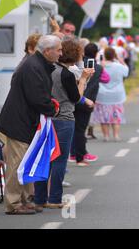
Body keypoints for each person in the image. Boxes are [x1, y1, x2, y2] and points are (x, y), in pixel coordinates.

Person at [0, 35, 62, 215]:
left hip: (26, 120)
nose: (60, 53)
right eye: (58, 50)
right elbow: (36, 97)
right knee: (18, 164)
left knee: (26, 162)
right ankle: (14, 203)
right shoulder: (33, 67)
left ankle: (24, 200)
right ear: (47, 51)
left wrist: (49, 104)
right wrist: (51, 108)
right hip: (19, 122)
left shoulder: (36, 64)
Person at [34, 39, 94, 211]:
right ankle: (54, 198)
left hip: (46, 117)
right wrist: (83, 79)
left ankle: (39, 198)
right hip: (64, 118)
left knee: (45, 159)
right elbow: (76, 98)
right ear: (74, 55)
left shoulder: (49, 69)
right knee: (60, 160)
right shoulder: (67, 75)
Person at [70, 43, 110, 166]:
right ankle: (80, 156)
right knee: (81, 130)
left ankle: (73, 153)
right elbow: (106, 79)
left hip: (74, 99)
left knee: (73, 128)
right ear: (96, 53)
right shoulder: (97, 68)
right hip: (87, 102)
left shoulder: (75, 66)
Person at [92, 47, 129, 141]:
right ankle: (116, 135)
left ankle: (106, 136)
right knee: (116, 116)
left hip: (102, 95)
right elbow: (126, 72)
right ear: (114, 55)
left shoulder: (100, 66)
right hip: (117, 95)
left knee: (103, 116)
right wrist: (121, 60)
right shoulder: (119, 66)